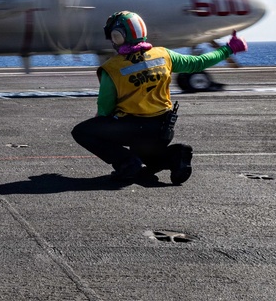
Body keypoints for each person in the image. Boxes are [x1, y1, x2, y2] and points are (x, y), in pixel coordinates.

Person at [71, 11, 248, 184]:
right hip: (162, 130)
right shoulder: (164, 55)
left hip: (133, 129)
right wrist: (229, 48)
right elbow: (198, 63)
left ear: (118, 37)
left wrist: (101, 123)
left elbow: (105, 109)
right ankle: (175, 155)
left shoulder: (112, 68)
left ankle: (126, 163)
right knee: (146, 158)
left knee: (81, 132)